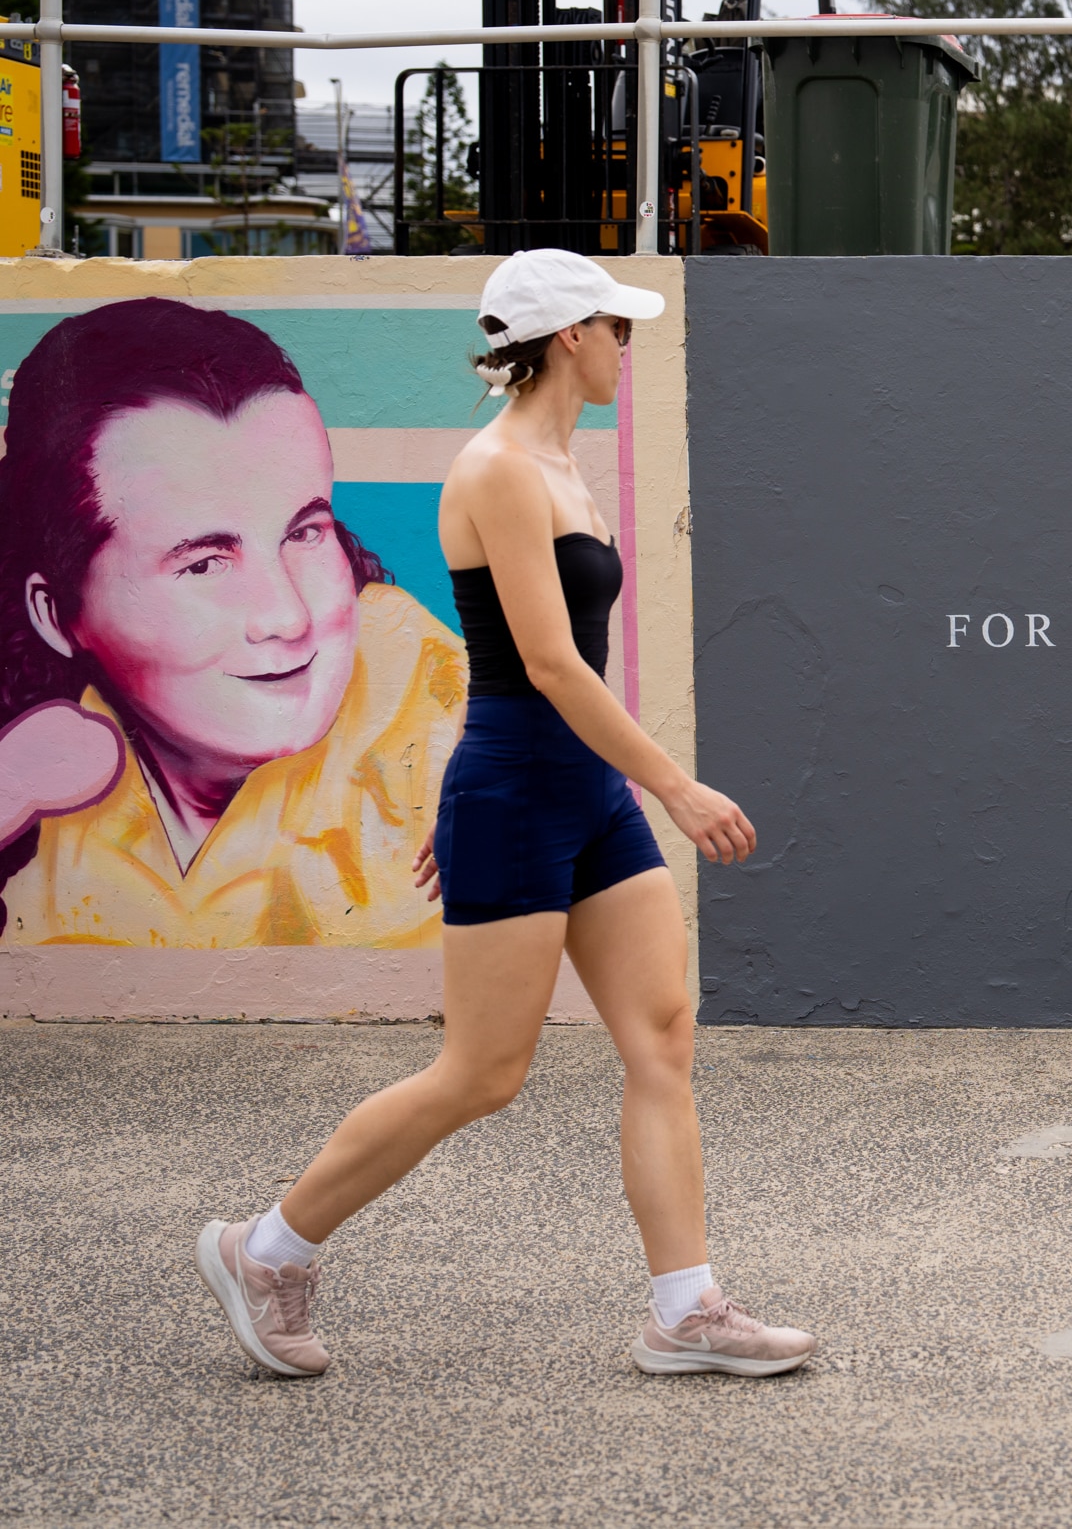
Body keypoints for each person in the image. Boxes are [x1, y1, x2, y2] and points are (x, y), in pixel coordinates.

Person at [194, 250, 815, 1378]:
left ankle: (685, 1307)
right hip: (528, 785)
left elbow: (544, 664)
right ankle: (267, 1246)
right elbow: (545, 664)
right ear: (568, 335)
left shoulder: (565, 466)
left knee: (662, 1034)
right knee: (482, 1071)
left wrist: (602, 786)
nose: (627, 344)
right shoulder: (496, 472)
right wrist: (673, 783)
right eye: (614, 328)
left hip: (577, 792)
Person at [0, 298, 463, 948]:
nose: (287, 616)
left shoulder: (432, 702)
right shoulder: (51, 769)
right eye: (204, 564)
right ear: (58, 614)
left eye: (305, 532)